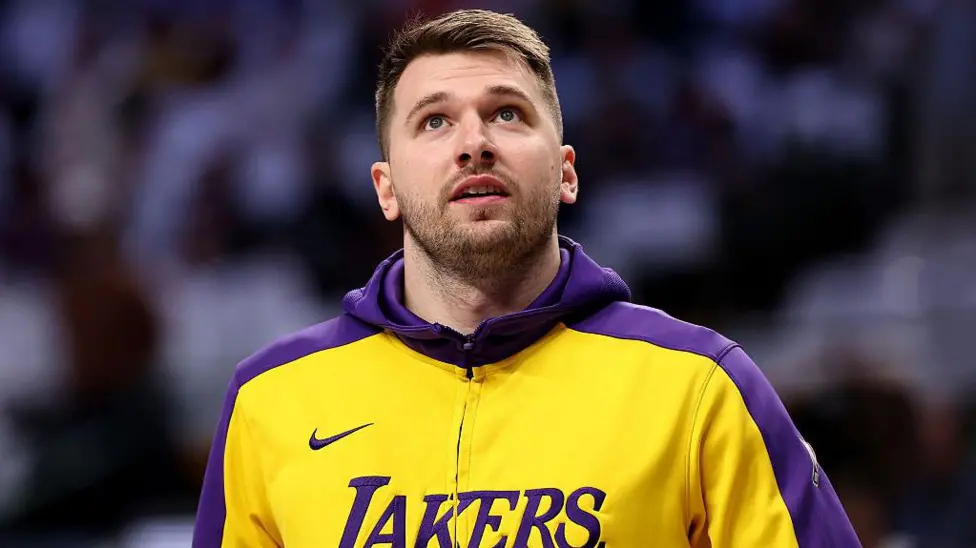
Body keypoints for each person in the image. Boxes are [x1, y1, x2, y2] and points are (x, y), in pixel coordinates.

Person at [192, 9, 861, 548]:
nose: (474, 143)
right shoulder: (270, 401)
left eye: (507, 113)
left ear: (566, 171)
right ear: (386, 188)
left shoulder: (700, 387)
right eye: (434, 121)